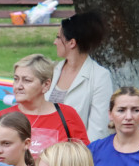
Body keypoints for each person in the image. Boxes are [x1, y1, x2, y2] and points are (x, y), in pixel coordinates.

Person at [0, 54, 89, 162]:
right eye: (16, 79)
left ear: (46, 85)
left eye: (27, 80)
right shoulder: (1, 118)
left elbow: (84, 158)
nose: (18, 86)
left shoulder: (67, 115)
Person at [47, 11, 113, 142]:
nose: (55, 42)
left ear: (72, 43)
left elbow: (99, 130)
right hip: (44, 152)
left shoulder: (100, 77)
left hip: (77, 157)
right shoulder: (52, 70)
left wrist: (78, 159)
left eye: (58, 37)